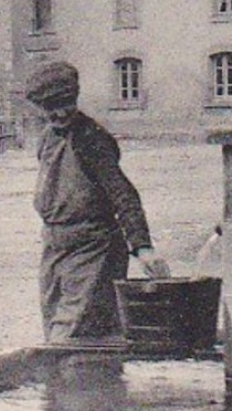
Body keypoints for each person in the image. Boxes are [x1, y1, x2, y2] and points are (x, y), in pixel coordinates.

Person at [26, 61, 170, 342]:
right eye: (50, 106)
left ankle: (85, 385)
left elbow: (123, 193)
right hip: (55, 248)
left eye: (67, 102)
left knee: (72, 334)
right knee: (56, 328)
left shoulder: (92, 138)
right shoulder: (47, 139)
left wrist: (142, 247)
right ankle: (73, 385)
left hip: (93, 249)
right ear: (39, 108)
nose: (60, 112)